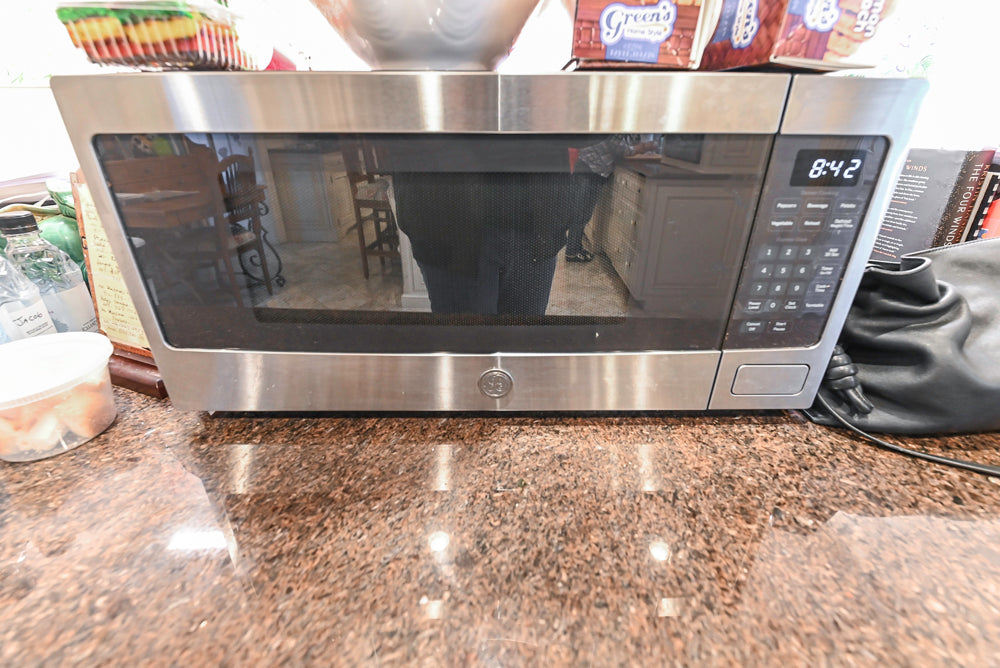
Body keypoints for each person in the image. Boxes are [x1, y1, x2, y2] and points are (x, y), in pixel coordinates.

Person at [564, 135, 659, 263]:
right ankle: (572, 252)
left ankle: (574, 249)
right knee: (582, 214)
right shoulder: (616, 128)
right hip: (591, 171)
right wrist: (644, 147)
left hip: (587, 168)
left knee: (581, 213)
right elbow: (622, 150)